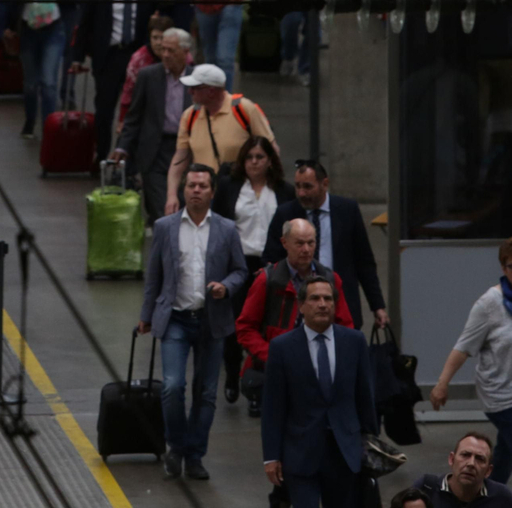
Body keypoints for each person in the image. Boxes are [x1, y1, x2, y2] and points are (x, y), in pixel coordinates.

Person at [428, 237, 512, 508]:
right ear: (503, 267)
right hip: (503, 397)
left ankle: (479, 499)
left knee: (507, 453)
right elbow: (463, 347)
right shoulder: (489, 304)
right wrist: (442, 384)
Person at [137, 162, 248, 482]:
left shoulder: (227, 229)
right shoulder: (165, 227)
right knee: (173, 386)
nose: (196, 191)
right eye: (191, 186)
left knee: (206, 392)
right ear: (183, 190)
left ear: (212, 192)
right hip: (175, 318)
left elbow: (241, 271)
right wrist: (146, 316)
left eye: (202, 186)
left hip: (212, 321)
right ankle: (176, 446)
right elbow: (153, 277)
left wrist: (226, 287)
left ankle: (195, 456)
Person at [261, 274, 378, 508]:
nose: (322, 304)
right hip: (300, 453)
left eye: (327, 298)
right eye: (315, 298)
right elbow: (273, 407)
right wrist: (271, 456)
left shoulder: (354, 342)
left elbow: (365, 396)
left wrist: (371, 445)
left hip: (345, 452)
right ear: (301, 306)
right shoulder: (282, 348)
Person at [237, 218, 353, 417]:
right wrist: (273, 356)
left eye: (311, 243)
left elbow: (345, 327)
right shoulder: (268, 280)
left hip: (319, 373)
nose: (306, 249)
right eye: (299, 243)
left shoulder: (330, 280)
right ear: (285, 243)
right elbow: (245, 328)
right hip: (277, 374)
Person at [217, 135, 300, 405]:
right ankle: (231, 373)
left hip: (271, 265)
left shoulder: (283, 191)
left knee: (265, 325)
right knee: (234, 323)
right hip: (237, 263)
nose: (254, 162)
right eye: (250, 157)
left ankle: (256, 384)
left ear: (269, 161)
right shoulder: (229, 188)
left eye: (260, 157)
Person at [264, 160, 388, 333]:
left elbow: (364, 262)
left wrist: (378, 306)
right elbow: (271, 259)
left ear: (325, 184)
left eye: (307, 187)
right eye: (297, 186)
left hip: (341, 303)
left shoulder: (347, 210)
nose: (301, 193)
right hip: (298, 305)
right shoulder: (286, 213)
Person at [71, 0, 158, 161]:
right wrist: (77, 56)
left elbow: (152, 21)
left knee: (135, 110)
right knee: (105, 109)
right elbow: (86, 21)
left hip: (137, 56)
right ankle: (101, 157)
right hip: (109, 56)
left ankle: (126, 159)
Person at [0, 0, 75, 139]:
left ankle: (49, 128)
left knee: (49, 82)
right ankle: (30, 120)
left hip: (53, 30)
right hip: (29, 31)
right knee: (31, 84)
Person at [163, 65, 276, 216]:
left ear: (210, 91)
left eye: (195, 88)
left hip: (240, 195)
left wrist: (263, 191)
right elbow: (180, 158)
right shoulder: (189, 116)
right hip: (204, 196)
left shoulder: (244, 109)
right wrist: (171, 196)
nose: (190, 92)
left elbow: (272, 150)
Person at [114, 28, 194, 220]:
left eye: (171, 51)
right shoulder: (148, 76)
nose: (165, 55)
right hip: (154, 150)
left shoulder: (197, 79)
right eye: (163, 49)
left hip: (186, 148)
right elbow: (134, 117)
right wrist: (122, 146)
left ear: (185, 52)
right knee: (163, 208)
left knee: (185, 204)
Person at [406, 433, 512, 507]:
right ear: (451, 459)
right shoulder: (425, 489)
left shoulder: (502, 499)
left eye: (480, 459)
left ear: (488, 471)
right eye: (465, 455)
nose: (471, 464)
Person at [119, 15, 173, 130]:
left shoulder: (181, 56)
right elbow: (128, 91)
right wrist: (122, 119)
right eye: (155, 38)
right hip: (145, 111)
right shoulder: (138, 59)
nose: (158, 43)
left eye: (162, 38)